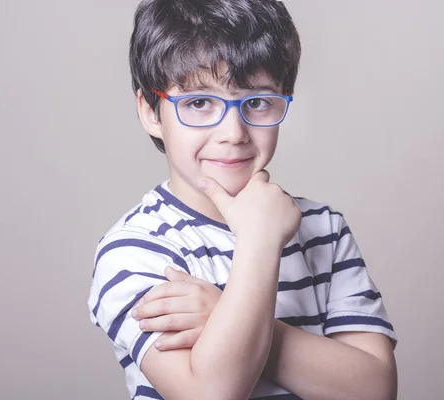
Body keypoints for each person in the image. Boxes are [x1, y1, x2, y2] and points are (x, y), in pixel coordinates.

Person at [88, 0, 398, 398]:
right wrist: (259, 243)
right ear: (150, 111)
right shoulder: (135, 250)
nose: (233, 132)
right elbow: (212, 394)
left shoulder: (323, 228)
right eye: (199, 102)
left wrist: (221, 314)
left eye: (256, 101)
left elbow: (375, 390)